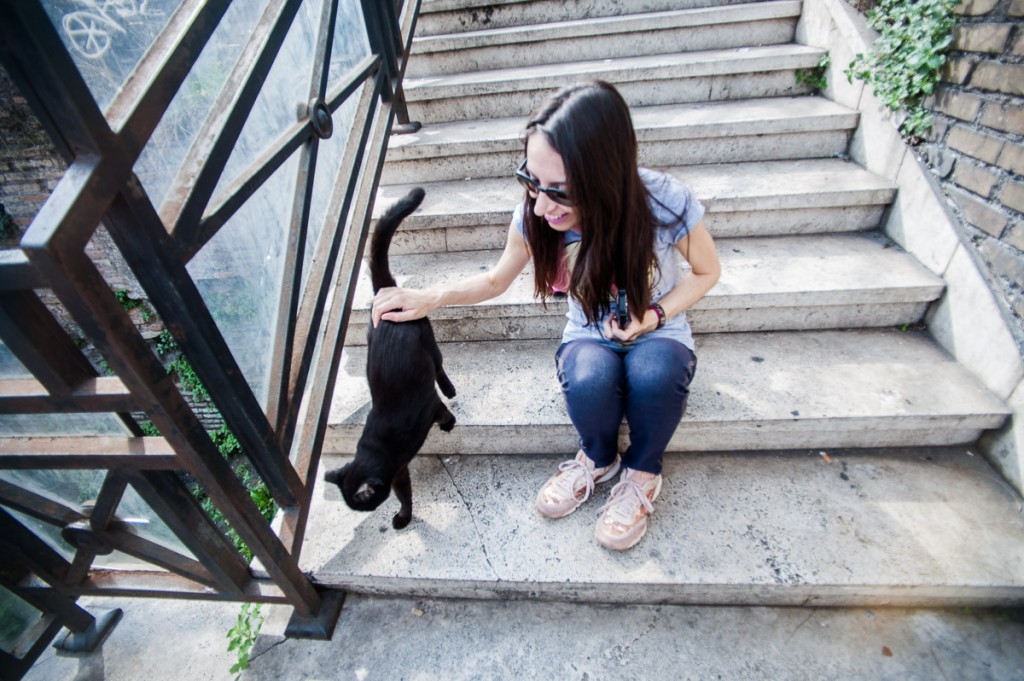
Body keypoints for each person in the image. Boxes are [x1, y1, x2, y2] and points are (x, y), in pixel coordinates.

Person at [372, 80, 720, 551]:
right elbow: (495, 280)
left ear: (606, 176)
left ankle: (642, 472)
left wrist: (654, 314)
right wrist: (430, 297)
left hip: (660, 328)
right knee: (590, 378)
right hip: (589, 333)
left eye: (558, 191)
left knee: (654, 375)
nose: (539, 204)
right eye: (531, 180)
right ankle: (597, 458)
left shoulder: (662, 201)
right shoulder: (536, 214)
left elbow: (706, 272)